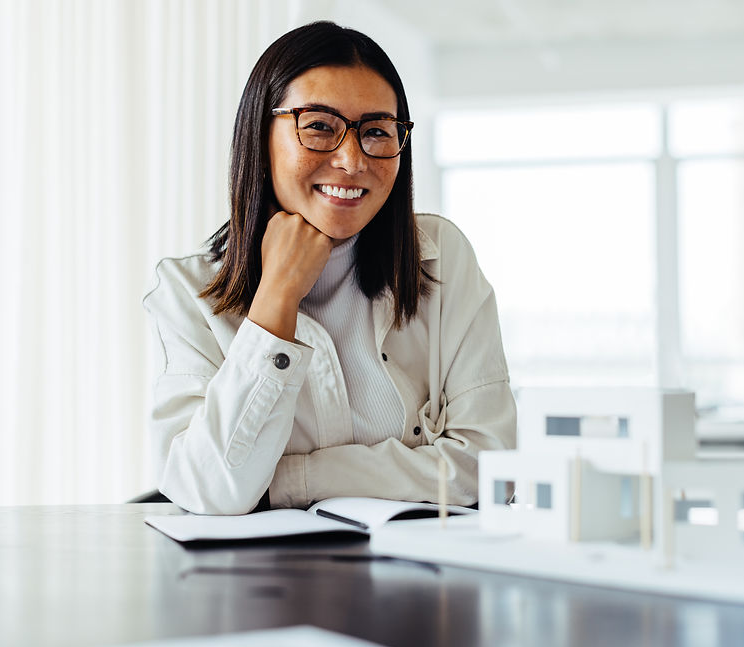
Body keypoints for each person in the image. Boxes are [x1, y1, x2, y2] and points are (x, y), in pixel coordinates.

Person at [143, 21, 516, 515]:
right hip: (258, 588)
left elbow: (491, 469)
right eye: (318, 126)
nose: (351, 159)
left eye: (377, 132)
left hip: (415, 580)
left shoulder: (441, 257)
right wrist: (277, 296)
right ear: (260, 135)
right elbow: (211, 489)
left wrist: (290, 480)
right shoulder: (188, 290)